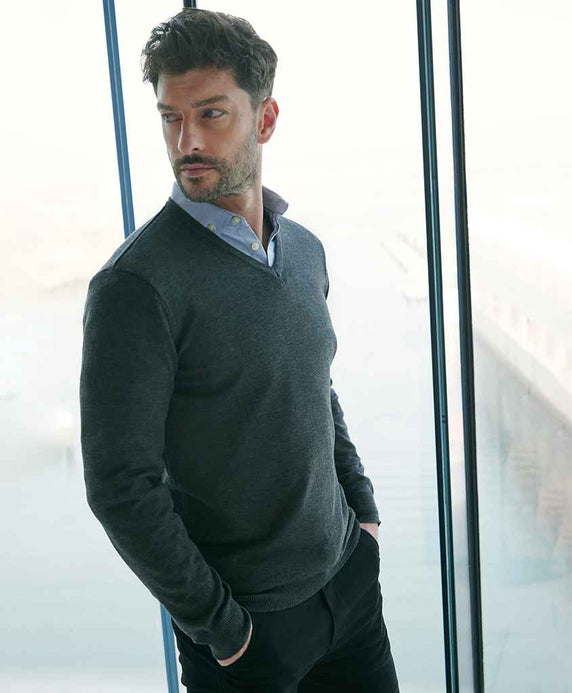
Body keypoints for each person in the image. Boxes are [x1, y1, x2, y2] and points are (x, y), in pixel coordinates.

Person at [79, 7, 399, 692]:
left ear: (266, 119)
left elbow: (316, 387)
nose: (186, 140)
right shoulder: (135, 286)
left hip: (349, 592)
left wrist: (363, 514)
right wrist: (224, 629)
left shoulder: (304, 251)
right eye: (171, 117)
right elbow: (119, 485)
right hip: (248, 639)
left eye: (212, 114)